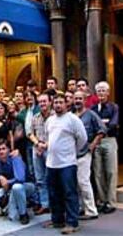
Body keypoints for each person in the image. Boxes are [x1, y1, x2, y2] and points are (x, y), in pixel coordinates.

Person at [42, 93, 87, 234]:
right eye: (55, 102)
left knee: (69, 193)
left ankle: (72, 223)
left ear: (67, 104)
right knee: (54, 193)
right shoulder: (49, 120)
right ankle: (57, 220)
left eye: (61, 102)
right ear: (52, 104)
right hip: (51, 163)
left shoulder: (73, 119)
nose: (58, 105)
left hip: (67, 163)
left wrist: (72, 152)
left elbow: (83, 139)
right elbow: (48, 137)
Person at [74, 90, 106, 220]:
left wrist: (93, 145)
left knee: (83, 182)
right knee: (76, 183)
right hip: (72, 154)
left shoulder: (91, 114)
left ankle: (91, 211)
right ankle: (82, 208)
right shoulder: (71, 115)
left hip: (84, 154)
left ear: (85, 100)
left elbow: (102, 129)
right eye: (75, 98)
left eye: (80, 98)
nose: (77, 101)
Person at [0, 139, 35, 225]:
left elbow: (20, 179)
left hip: (26, 186)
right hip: (9, 188)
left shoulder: (15, 159)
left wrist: (7, 182)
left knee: (16, 187)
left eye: (3, 149)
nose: (1, 151)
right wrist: (0, 177)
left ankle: (23, 214)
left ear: (8, 150)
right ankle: (11, 205)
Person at [91, 81, 119, 214]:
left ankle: (111, 202)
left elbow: (113, 124)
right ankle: (101, 201)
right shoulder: (93, 109)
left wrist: (101, 125)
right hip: (96, 142)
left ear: (108, 92)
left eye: (103, 90)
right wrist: (104, 123)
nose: (101, 93)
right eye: (99, 91)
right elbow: (92, 126)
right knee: (98, 173)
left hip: (109, 141)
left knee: (111, 172)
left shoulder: (114, 107)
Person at [27, 93, 52, 215]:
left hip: (51, 149)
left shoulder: (54, 117)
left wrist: (45, 145)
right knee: (40, 178)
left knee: (52, 177)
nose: (42, 104)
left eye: (44, 101)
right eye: (40, 102)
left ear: (50, 102)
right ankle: (45, 204)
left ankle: (54, 204)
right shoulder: (35, 117)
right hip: (37, 150)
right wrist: (37, 144)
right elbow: (30, 133)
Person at [17, 90, 40, 178]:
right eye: (27, 96)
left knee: (38, 166)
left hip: (38, 141)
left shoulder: (39, 109)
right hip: (27, 142)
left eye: (31, 96)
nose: (29, 98)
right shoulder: (24, 111)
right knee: (31, 166)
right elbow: (18, 117)